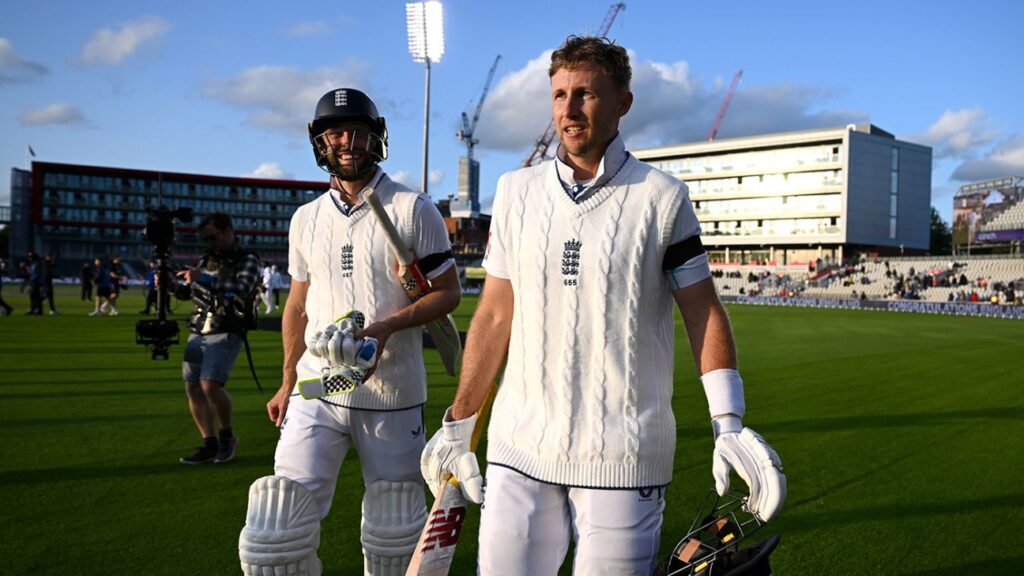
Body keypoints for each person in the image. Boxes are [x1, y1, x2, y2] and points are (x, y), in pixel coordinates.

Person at [420, 36, 787, 575]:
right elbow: (495, 313)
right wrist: (460, 420)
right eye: (559, 95)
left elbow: (702, 310)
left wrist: (727, 421)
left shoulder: (662, 197)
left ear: (623, 103)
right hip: (519, 445)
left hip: (624, 454)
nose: (568, 110)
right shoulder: (516, 192)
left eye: (586, 94)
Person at [238, 87, 461, 576]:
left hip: (391, 392)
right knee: (276, 529)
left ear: (375, 136)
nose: (346, 142)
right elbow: (297, 306)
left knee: (394, 529)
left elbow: (447, 294)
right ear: (320, 142)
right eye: (334, 132)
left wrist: (385, 328)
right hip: (316, 388)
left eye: (356, 131)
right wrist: (285, 381)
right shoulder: (306, 218)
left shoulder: (411, 208)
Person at [169, 212, 260, 465]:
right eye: (205, 239)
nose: (209, 243)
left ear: (229, 231)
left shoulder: (248, 258)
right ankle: (208, 442)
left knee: (210, 384)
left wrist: (204, 279)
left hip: (227, 327)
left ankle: (227, 436)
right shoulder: (206, 260)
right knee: (192, 386)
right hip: (198, 327)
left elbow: (241, 289)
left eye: (212, 237)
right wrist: (169, 284)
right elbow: (190, 294)